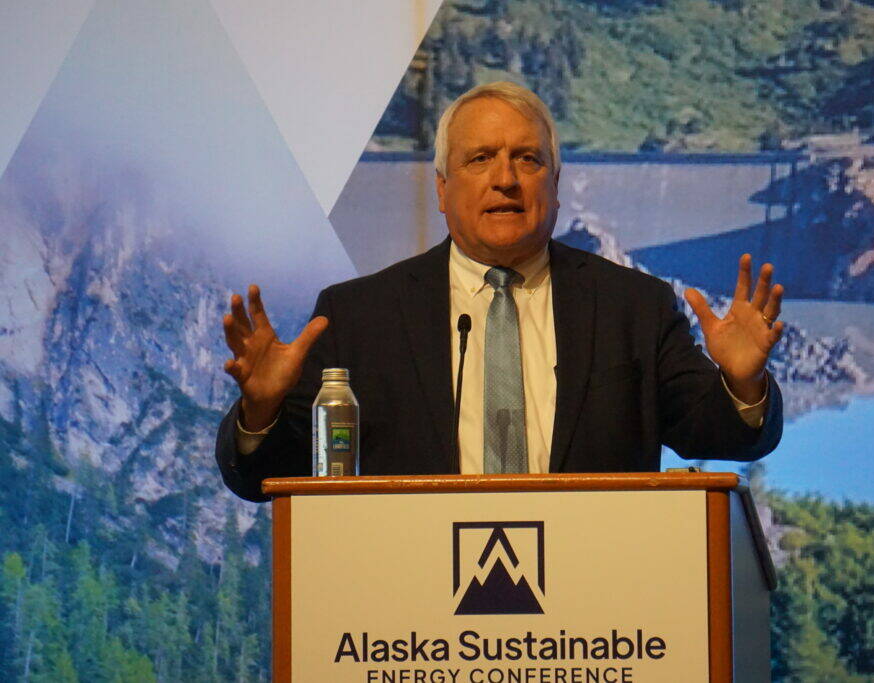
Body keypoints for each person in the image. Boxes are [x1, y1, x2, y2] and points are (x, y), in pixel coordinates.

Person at [215, 82, 784, 503]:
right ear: (442, 189)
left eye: (528, 159)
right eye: (480, 158)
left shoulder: (634, 307)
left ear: (555, 186)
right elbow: (269, 473)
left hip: (598, 623)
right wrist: (260, 411)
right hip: (410, 625)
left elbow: (719, 433)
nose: (505, 178)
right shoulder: (360, 317)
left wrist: (742, 383)